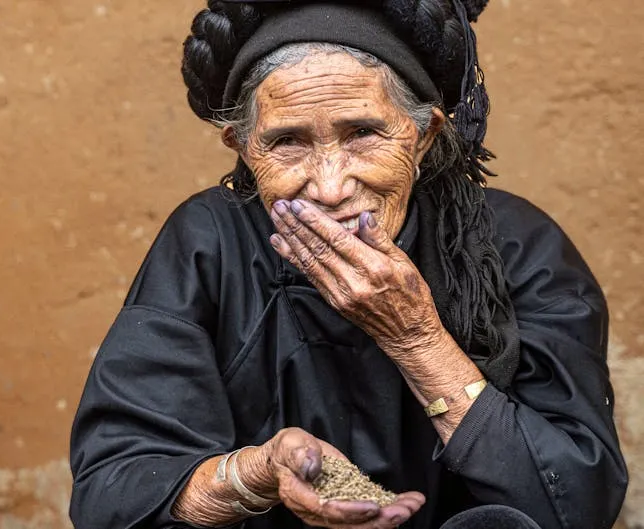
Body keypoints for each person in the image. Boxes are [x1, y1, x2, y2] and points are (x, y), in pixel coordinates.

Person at [68, 1, 628, 528]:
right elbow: (114, 490)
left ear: (424, 135)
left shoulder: (515, 247)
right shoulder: (208, 243)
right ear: (242, 147)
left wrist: (417, 339)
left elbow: (576, 502)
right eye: (287, 141)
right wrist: (252, 475)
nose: (331, 187)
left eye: (362, 133)